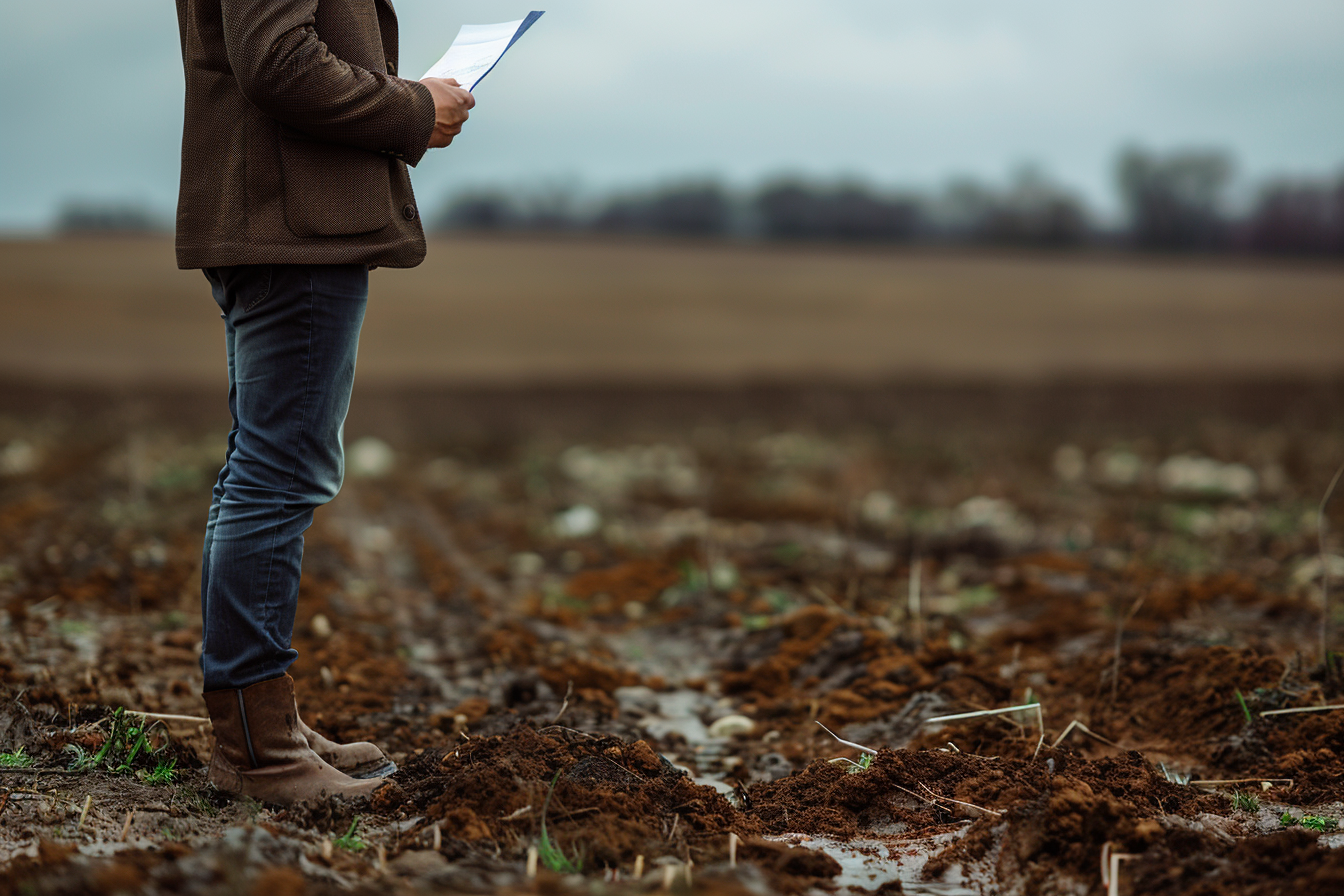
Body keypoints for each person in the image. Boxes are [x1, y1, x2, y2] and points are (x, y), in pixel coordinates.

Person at [173, 0, 473, 805]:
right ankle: (257, 752)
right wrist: (412, 107)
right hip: (288, 226)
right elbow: (278, 61)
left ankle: (265, 723)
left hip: (278, 217)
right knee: (276, 476)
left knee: (267, 470)